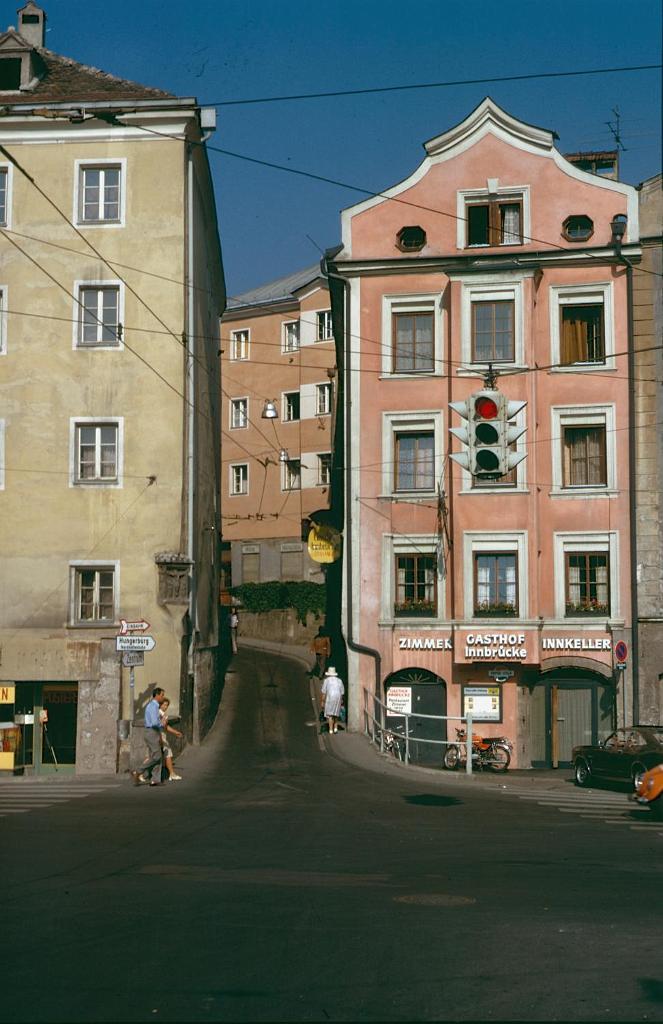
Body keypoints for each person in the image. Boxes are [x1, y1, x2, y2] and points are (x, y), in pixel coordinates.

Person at [130, 686, 166, 787]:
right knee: (157, 756)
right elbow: (154, 722)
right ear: (157, 695)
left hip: (152, 732)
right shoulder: (153, 706)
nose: (163, 697)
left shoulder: (152, 706)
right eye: (162, 695)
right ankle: (138, 771)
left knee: (156, 756)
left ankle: (155, 779)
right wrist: (162, 723)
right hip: (151, 732)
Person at [158, 698, 183, 781]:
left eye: (167, 705)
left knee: (164, 754)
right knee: (167, 754)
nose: (165, 707)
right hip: (159, 736)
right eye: (164, 705)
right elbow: (161, 726)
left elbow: (165, 727)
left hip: (161, 735)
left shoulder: (163, 714)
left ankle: (139, 773)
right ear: (160, 705)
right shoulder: (159, 713)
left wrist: (176, 732)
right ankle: (171, 774)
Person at [320, 666, 345, 735]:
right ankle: (336, 727)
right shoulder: (339, 680)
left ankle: (331, 729)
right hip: (338, 697)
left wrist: (322, 701)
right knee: (336, 713)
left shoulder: (326, 681)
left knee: (330, 714)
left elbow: (324, 692)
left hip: (330, 697)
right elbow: (342, 692)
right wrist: (342, 699)